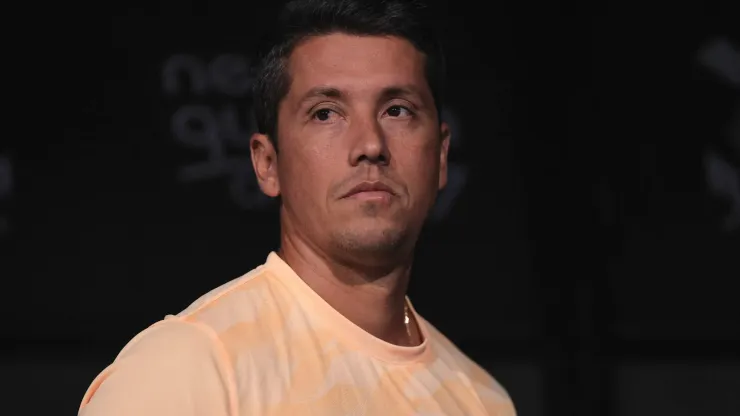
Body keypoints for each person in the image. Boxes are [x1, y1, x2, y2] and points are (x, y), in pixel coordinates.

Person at [78, 0, 516, 414]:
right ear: (267, 164)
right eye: (326, 113)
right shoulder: (189, 369)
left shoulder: (482, 400)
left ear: (440, 157)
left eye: (397, 110)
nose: (369, 145)